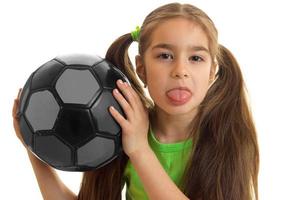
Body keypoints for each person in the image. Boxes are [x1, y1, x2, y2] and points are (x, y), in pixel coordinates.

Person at [12, 2, 259, 200]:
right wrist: (34, 148)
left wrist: (140, 149)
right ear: (141, 68)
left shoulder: (230, 136)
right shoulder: (119, 129)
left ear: (212, 71)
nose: (180, 70)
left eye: (196, 58)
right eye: (165, 55)